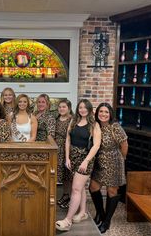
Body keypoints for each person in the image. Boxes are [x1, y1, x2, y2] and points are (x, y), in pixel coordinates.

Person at [56, 99, 101, 232]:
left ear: (89, 109)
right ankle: (82, 213)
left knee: (75, 189)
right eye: (80, 107)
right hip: (73, 157)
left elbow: (96, 145)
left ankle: (67, 220)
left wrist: (86, 161)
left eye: (85, 107)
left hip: (85, 159)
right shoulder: (74, 121)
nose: (82, 110)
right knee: (80, 188)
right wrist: (68, 157)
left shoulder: (94, 125)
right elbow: (68, 139)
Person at [89, 102, 128, 234]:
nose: (103, 114)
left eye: (106, 112)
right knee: (93, 187)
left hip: (114, 161)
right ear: (97, 113)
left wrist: (121, 160)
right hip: (99, 161)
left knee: (112, 191)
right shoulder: (96, 125)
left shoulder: (115, 126)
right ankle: (100, 214)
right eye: (101, 111)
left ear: (110, 114)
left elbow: (124, 145)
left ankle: (107, 222)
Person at [55, 99, 73, 209]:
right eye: (60, 107)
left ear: (69, 108)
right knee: (61, 174)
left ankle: (69, 197)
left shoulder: (72, 120)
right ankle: (65, 195)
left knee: (68, 174)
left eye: (64, 107)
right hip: (57, 148)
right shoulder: (57, 119)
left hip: (67, 148)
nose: (61, 109)